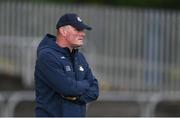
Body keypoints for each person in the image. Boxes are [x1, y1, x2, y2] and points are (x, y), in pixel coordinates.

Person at [34, 13, 99, 117]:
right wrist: (86, 84)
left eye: (82, 30)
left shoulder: (80, 57)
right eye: (78, 30)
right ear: (63, 31)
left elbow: (95, 91)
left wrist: (76, 97)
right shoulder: (47, 56)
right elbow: (68, 88)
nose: (83, 34)